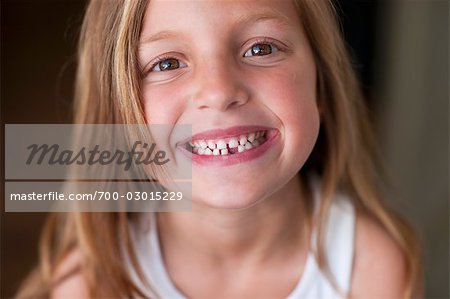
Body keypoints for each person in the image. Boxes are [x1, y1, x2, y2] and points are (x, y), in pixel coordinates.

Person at [17, 0, 421, 298]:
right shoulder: (93, 283)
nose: (219, 91)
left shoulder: (370, 269)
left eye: (261, 49)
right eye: (167, 63)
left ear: (320, 83)